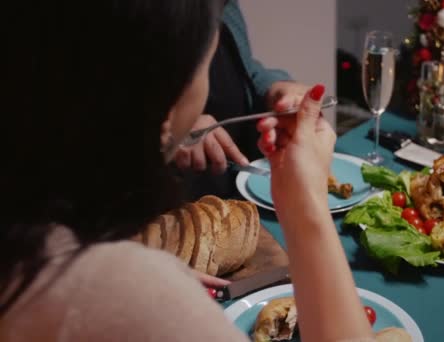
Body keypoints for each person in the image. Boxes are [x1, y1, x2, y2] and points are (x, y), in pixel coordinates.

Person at [0, 0, 373, 341]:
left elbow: (247, 67)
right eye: (204, 65)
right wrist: (305, 205)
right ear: (162, 101)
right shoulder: (131, 301)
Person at [174, 0, 311, 199]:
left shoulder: (225, 5)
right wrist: (174, 128)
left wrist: (274, 87)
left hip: (243, 182)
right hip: (177, 201)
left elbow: (240, 66)